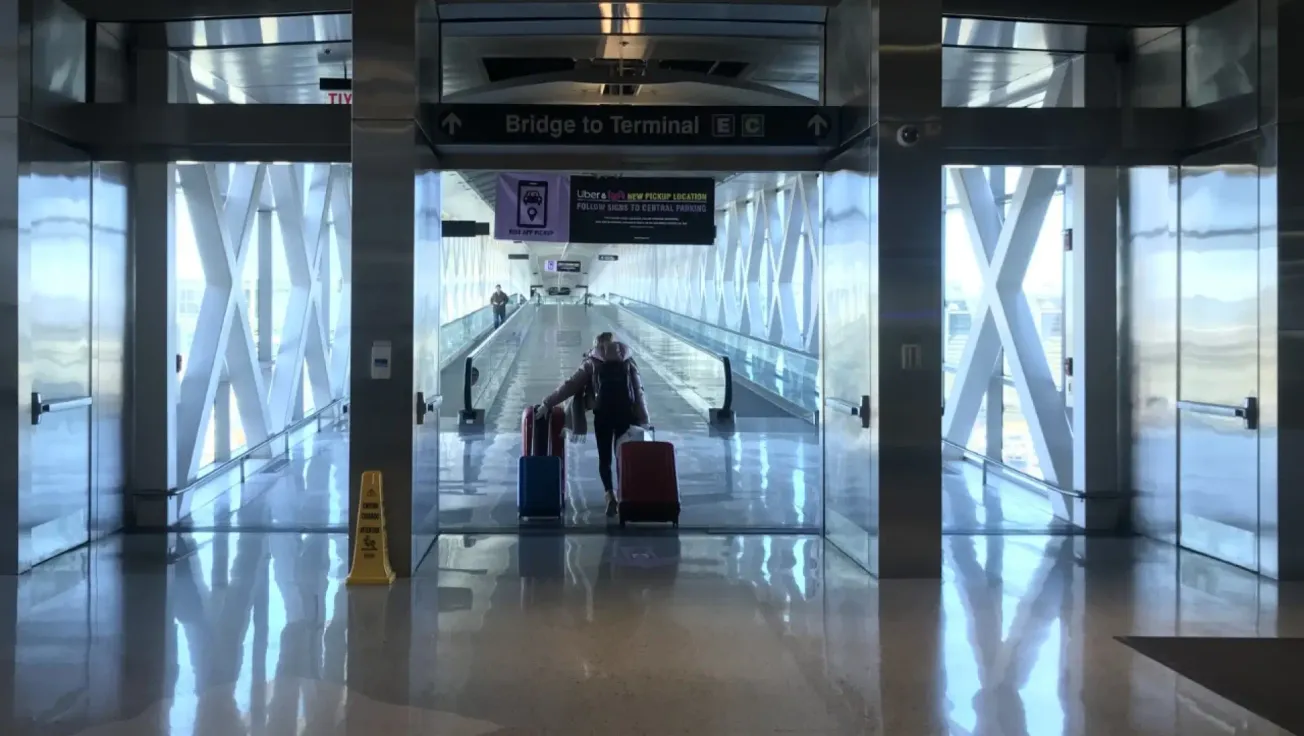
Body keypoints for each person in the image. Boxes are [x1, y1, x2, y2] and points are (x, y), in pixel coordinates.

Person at [536, 332, 649, 516]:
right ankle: (625, 495)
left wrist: (547, 403)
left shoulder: (593, 361)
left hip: (603, 415)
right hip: (626, 415)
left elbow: (570, 385)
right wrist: (644, 420)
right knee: (623, 455)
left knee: (605, 459)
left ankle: (610, 495)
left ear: (597, 344)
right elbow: (638, 391)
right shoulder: (627, 360)